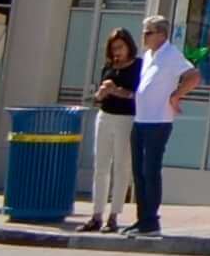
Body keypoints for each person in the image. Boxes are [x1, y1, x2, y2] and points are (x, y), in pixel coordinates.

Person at [128, 15, 188, 237]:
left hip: (158, 121)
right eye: (144, 31)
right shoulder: (149, 56)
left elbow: (193, 76)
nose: (144, 36)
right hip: (141, 119)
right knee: (138, 171)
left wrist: (176, 96)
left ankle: (151, 221)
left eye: (149, 32)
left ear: (162, 34)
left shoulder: (171, 55)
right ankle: (142, 218)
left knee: (150, 170)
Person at [78, 31, 140, 229]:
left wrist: (116, 90)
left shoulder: (137, 66)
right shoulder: (108, 66)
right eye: (114, 48)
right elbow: (98, 95)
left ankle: (114, 215)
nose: (118, 52)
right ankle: (97, 214)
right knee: (101, 165)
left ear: (129, 46)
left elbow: (137, 95)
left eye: (121, 47)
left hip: (126, 118)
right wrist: (101, 93)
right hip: (105, 116)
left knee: (121, 166)